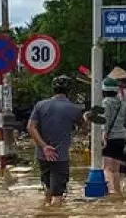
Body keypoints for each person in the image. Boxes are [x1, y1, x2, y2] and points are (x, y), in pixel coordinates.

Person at [27, 74, 91, 205]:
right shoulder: (74, 108)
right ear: (69, 91)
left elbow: (30, 127)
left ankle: (46, 217)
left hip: (42, 155)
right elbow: (85, 129)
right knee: (57, 195)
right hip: (60, 156)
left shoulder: (40, 105)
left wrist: (44, 146)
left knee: (48, 189)